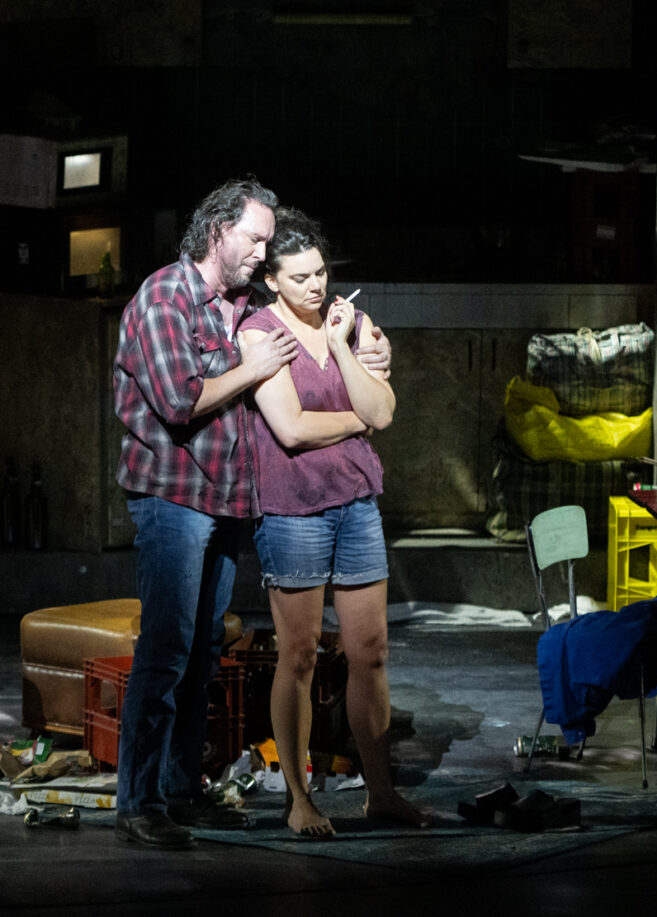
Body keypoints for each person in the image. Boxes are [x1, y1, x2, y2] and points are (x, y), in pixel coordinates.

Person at [111, 178, 389, 850]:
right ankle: (139, 799)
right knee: (168, 647)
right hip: (173, 497)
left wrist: (366, 345)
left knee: (204, 649)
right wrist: (251, 365)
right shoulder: (165, 296)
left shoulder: (238, 305)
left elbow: (305, 318)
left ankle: (180, 788)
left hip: (223, 501)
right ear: (217, 230)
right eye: (255, 238)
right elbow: (180, 401)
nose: (261, 252)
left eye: (268, 241)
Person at [239, 208, 434, 837]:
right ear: (273, 281)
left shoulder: (350, 322)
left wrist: (349, 345)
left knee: (369, 652)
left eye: (321, 272)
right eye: (299, 278)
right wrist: (357, 421)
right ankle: (298, 797)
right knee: (297, 654)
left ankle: (381, 792)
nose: (315, 287)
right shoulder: (259, 334)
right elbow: (292, 429)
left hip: (355, 502)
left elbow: (384, 408)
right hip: (293, 507)